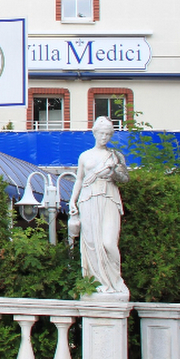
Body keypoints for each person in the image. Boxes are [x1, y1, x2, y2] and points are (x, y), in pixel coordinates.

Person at [68, 117, 129, 296]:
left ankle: (116, 280)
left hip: (109, 197)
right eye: (101, 133)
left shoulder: (115, 156)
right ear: (94, 133)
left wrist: (112, 173)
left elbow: (124, 178)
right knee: (92, 243)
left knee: (108, 243)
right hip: (88, 199)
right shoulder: (85, 156)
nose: (104, 137)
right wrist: (72, 201)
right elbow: (79, 180)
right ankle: (97, 283)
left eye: (107, 134)